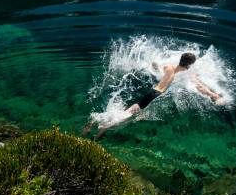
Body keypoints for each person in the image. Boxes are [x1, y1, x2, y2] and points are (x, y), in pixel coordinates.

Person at [83, 52, 223, 139]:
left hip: (151, 91)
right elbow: (199, 86)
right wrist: (213, 95)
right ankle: (102, 127)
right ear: (189, 65)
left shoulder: (169, 67)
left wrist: (155, 66)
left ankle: (94, 122)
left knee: (129, 111)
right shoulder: (185, 73)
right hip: (156, 95)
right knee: (126, 117)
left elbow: (156, 66)